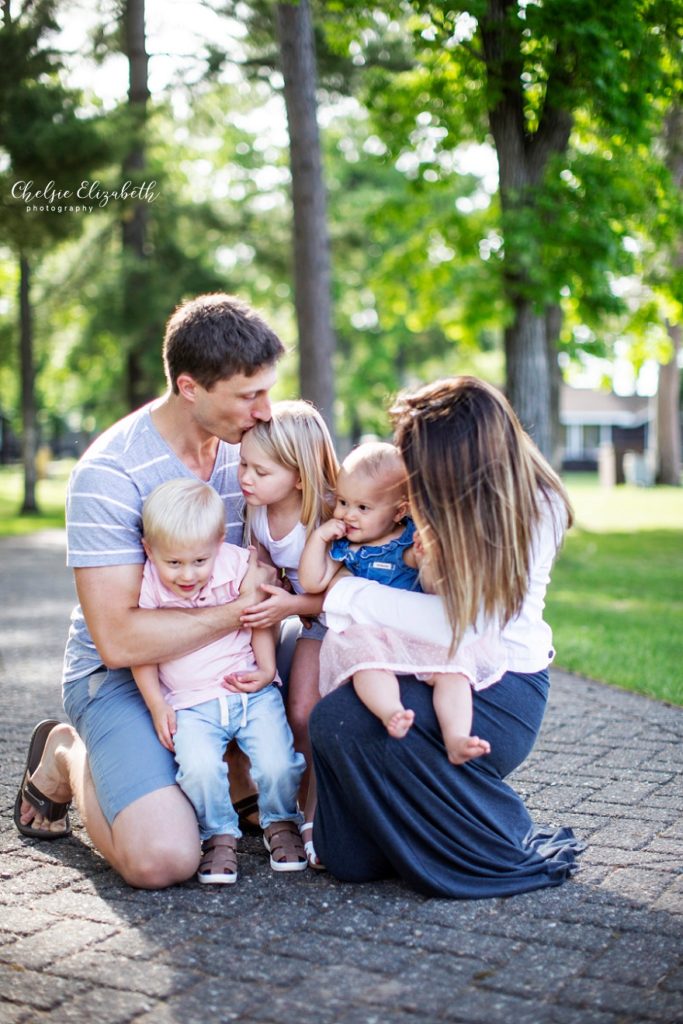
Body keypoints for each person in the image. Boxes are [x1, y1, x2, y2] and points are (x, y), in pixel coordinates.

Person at [14, 293, 284, 888]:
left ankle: (230, 768)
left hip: (230, 659)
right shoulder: (109, 474)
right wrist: (238, 609)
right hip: (121, 674)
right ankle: (65, 754)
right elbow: (117, 638)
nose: (266, 411)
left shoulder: (256, 453)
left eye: (268, 390)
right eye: (248, 395)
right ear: (190, 388)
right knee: (163, 859)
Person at [308, 376, 584, 899]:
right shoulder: (437, 502)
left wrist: (341, 596)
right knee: (349, 859)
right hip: (419, 661)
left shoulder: (532, 509)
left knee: (339, 720)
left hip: (498, 684)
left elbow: (465, 625)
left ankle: (492, 826)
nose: (415, 476)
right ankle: (410, 826)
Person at [134, 478, 306, 883]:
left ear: (216, 544)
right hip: (190, 702)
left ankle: (281, 820)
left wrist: (266, 669)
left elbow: (256, 619)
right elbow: (140, 650)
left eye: (198, 561)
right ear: (149, 550)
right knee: (197, 769)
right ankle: (218, 834)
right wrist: (157, 704)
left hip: (249, 691)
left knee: (278, 762)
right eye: (173, 563)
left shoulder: (233, 565)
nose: (187, 574)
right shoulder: (149, 583)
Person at [300, 441, 504, 758]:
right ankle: (391, 711)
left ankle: (457, 738)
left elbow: (433, 587)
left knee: (453, 670)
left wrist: (426, 560)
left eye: (362, 507)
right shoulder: (346, 547)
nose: (347, 514)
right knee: (365, 664)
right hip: (371, 635)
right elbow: (313, 582)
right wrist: (318, 538)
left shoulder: (408, 542)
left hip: (413, 631)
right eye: (342, 502)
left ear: (399, 511)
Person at [237, 400, 339, 867]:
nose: (246, 478)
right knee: (291, 711)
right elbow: (261, 564)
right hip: (308, 622)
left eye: (260, 470)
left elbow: (349, 597)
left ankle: (319, 808)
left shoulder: (323, 519)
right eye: (242, 464)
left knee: (307, 711)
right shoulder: (258, 510)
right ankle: (294, 806)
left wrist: (292, 605)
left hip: (340, 621)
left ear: (299, 475)